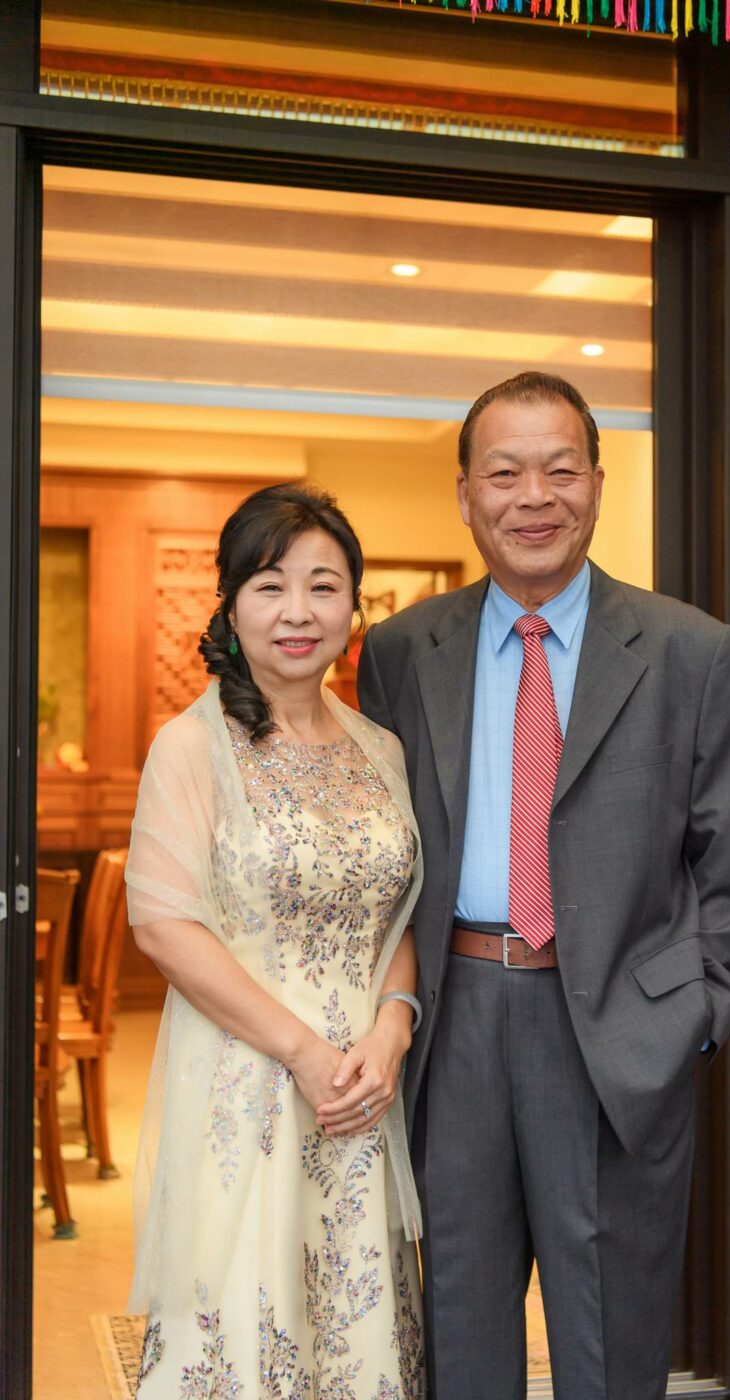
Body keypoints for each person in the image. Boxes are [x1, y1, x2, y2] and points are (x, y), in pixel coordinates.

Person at [357, 371, 730, 1400]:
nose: (533, 496)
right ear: (464, 493)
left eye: (560, 470)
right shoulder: (402, 651)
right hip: (454, 1021)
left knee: (610, 1339)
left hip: (619, 1030)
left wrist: (690, 1020)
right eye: (504, 473)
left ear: (597, 484)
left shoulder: (688, 649)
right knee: (459, 1325)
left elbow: (729, 868)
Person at [126, 484, 426, 1399]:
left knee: (354, 1327)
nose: (298, 611)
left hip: (361, 1091)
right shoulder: (192, 747)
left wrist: (392, 1028)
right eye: (270, 586)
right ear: (230, 606)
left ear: (353, 608)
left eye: (322, 586)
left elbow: (397, 911)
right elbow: (163, 924)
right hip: (249, 1080)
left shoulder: (380, 748)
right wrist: (301, 1052)